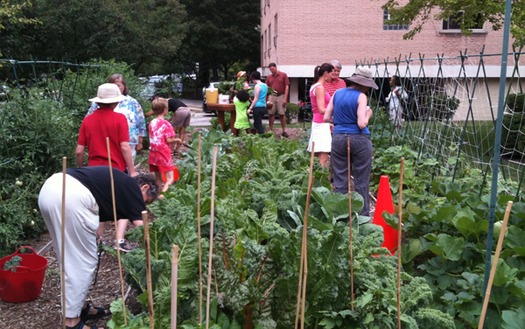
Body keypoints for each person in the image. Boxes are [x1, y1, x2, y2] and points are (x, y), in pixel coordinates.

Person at [38, 166, 159, 329]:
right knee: (83, 262)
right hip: (70, 196)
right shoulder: (133, 189)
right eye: (146, 201)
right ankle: (72, 323)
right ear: (144, 187)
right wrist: (160, 247)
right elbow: (143, 230)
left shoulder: (121, 183)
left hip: (51, 188)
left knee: (68, 257)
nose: (143, 205)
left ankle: (78, 308)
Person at [323, 66, 378, 216]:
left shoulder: (337, 93)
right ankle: (362, 217)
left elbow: (326, 118)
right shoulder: (361, 96)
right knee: (361, 180)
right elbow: (362, 123)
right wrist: (368, 114)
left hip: (339, 138)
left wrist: (341, 122)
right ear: (365, 84)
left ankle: (340, 216)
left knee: (340, 179)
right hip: (359, 139)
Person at [76, 83, 137, 177]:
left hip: (93, 171)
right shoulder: (120, 119)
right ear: (116, 101)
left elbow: (79, 151)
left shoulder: (87, 120)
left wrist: (80, 170)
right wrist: (132, 171)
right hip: (116, 170)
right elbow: (124, 147)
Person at [88, 74, 147, 159]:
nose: (116, 88)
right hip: (105, 140)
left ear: (124, 86)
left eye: (118, 85)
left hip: (129, 140)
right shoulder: (99, 102)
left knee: (127, 166)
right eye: (113, 86)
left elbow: (141, 121)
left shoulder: (132, 102)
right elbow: (89, 119)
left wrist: (140, 141)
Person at [148, 97, 182, 194]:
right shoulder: (166, 124)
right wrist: (177, 140)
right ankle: (164, 197)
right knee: (170, 179)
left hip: (153, 153)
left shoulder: (152, 122)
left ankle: (157, 196)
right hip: (163, 153)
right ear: (165, 110)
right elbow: (168, 140)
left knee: (158, 179)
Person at [307, 63, 334, 168]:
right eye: (331, 73)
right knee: (324, 155)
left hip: (320, 123)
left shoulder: (315, 86)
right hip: (321, 123)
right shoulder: (319, 88)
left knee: (318, 154)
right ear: (326, 73)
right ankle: (319, 177)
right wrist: (336, 110)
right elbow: (322, 109)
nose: (333, 76)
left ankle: (313, 178)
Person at [265, 63, 290, 137]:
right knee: (271, 113)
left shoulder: (283, 75)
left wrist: (285, 98)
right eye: (270, 70)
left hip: (281, 95)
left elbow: (287, 86)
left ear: (275, 68)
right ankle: (270, 129)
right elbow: (267, 88)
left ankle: (284, 130)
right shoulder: (269, 77)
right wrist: (267, 99)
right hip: (272, 95)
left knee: (281, 113)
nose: (271, 71)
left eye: (272, 69)